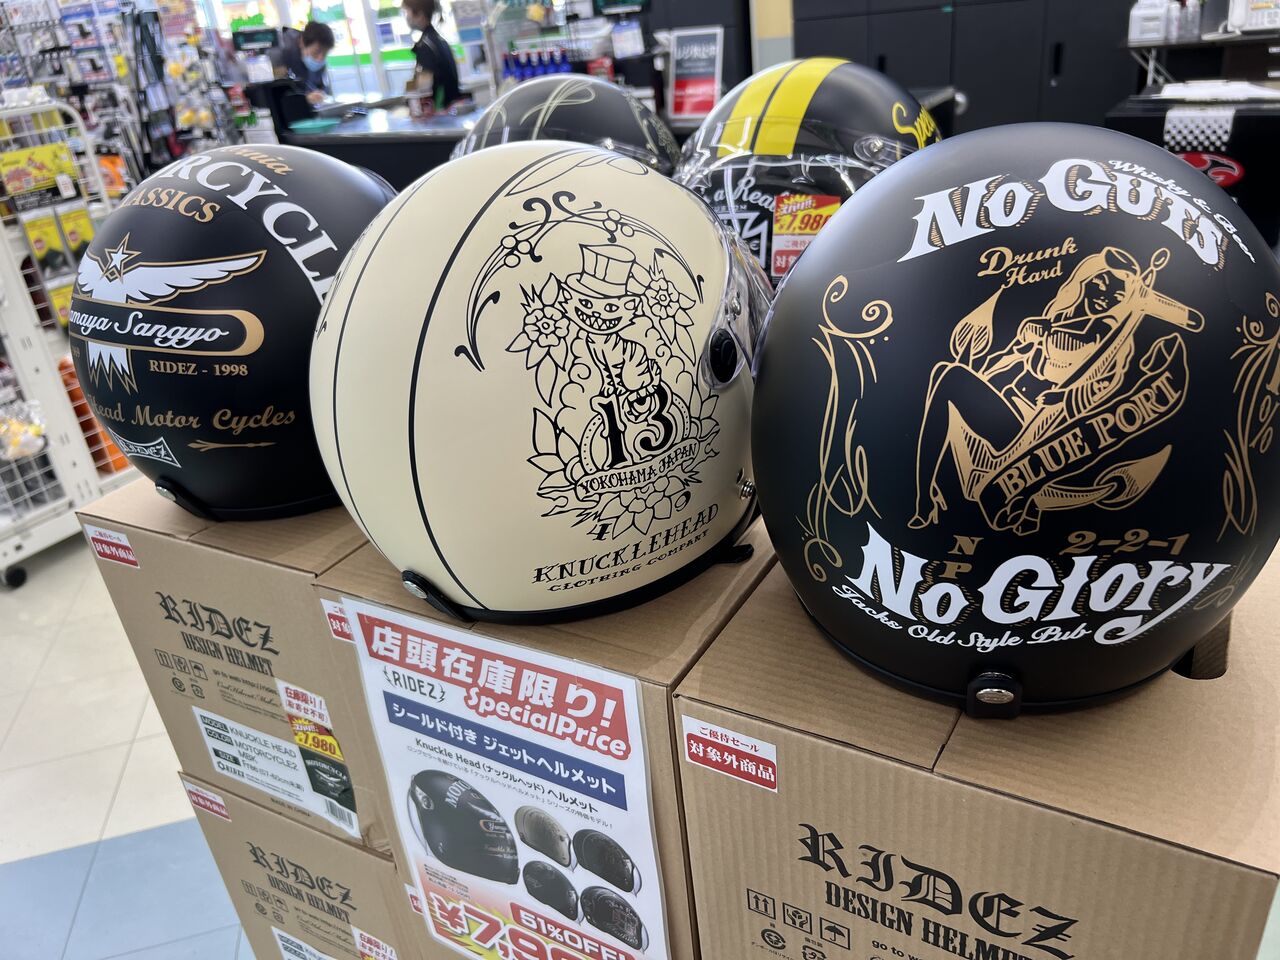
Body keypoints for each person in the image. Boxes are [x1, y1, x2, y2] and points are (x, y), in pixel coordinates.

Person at [401, 0, 462, 107]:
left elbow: (423, 89)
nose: (406, 17)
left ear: (420, 14)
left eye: (406, 12)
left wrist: (408, 100)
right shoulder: (438, 39)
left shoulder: (425, 46)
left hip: (439, 110)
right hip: (450, 107)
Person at [273, 21, 335, 105]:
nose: (320, 59)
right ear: (302, 42)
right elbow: (277, 98)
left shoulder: (319, 64)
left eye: (324, 54)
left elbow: (321, 88)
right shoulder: (280, 53)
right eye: (316, 52)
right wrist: (304, 99)